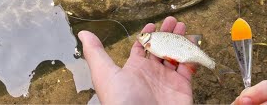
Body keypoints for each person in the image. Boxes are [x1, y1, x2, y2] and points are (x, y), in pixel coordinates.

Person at [78, 16, 267, 105]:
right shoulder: (150, 43)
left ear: (147, 38)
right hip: (178, 53)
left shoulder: (150, 42)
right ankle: (215, 67)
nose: (141, 37)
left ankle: (215, 66)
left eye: (143, 35)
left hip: (180, 52)